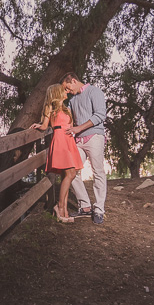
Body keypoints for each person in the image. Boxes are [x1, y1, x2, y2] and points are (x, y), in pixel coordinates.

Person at [31, 84, 84, 223]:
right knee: (70, 173)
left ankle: (64, 210)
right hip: (60, 139)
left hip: (68, 140)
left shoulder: (66, 108)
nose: (66, 91)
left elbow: (72, 124)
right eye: (63, 90)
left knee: (69, 174)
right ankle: (59, 207)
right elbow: (44, 125)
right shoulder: (50, 107)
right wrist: (39, 126)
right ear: (57, 92)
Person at [61, 72, 107, 224]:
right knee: (71, 171)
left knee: (98, 172)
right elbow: (68, 119)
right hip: (78, 140)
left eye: (68, 88)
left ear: (74, 81)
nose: (67, 92)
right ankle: (85, 206)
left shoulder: (95, 91)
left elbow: (100, 115)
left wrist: (78, 128)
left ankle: (99, 209)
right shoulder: (73, 100)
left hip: (94, 137)